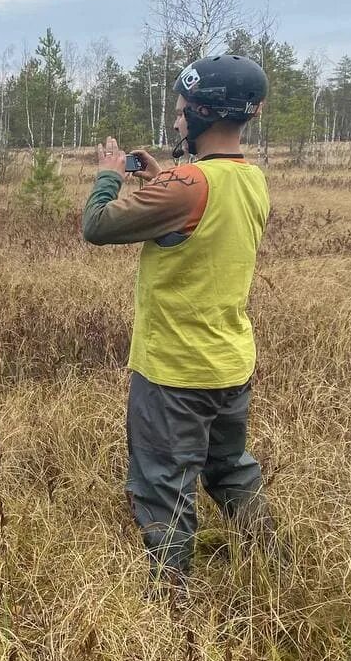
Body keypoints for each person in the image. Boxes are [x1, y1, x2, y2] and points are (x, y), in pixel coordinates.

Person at [82, 53, 274, 585]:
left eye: (183, 109)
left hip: (173, 372)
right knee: (231, 470)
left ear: (206, 112)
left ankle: (172, 608)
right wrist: (166, 176)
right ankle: (273, 564)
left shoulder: (188, 185)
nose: (175, 120)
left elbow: (97, 226)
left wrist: (107, 175)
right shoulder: (251, 179)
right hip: (230, 365)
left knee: (162, 485)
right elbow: (203, 208)